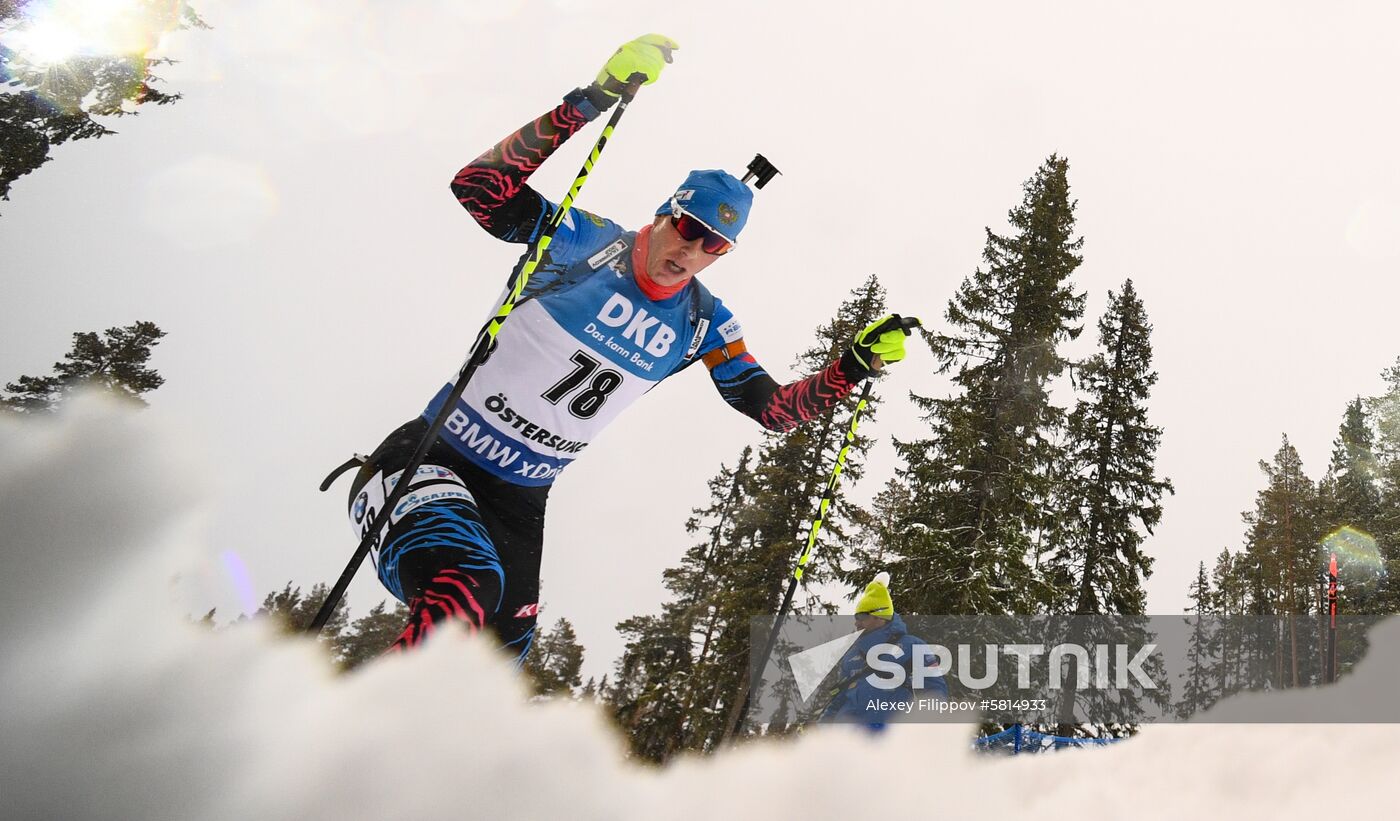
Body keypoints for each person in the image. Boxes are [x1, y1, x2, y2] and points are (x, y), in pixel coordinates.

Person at [344, 35, 919, 664]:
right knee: (464, 595)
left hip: (520, 500)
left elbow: (774, 410)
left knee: (497, 658)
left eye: (714, 247)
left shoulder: (703, 322)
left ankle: (403, 756)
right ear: (665, 213)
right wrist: (589, 102)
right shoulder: (580, 243)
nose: (691, 252)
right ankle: (341, 743)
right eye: (689, 229)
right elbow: (478, 188)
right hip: (433, 457)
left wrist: (853, 366)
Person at [820, 573, 948, 728]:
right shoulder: (852, 654)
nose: (856, 622)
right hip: (846, 740)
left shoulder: (912, 646)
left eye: (861, 616)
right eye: (856, 617)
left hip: (888, 741)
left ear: (879, 616)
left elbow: (934, 691)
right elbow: (839, 700)